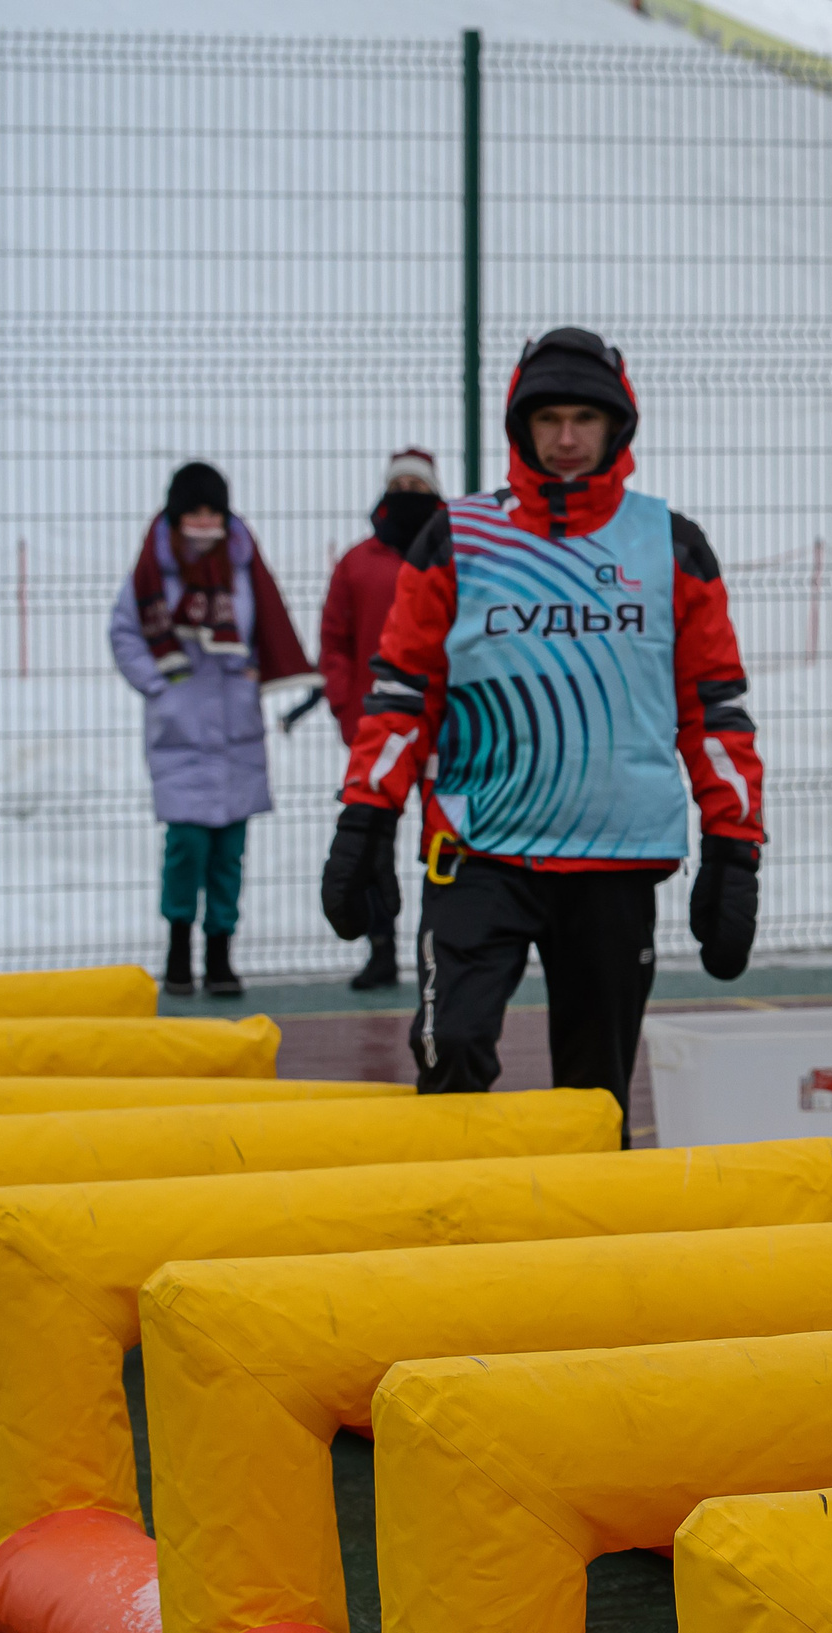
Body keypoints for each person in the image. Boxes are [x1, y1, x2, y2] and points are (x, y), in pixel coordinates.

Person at [318, 328, 765, 1128]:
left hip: (614, 859)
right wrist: (365, 821)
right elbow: (401, 696)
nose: (565, 438)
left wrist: (734, 849)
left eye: (585, 419)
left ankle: (585, 1251)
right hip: (478, 850)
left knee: (593, 1103)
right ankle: (452, 1242)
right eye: (548, 417)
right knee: (448, 1052)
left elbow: (715, 710)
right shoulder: (456, 537)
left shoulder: (671, 544)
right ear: (519, 425)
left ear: (616, 426)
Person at [109, 461, 318, 998]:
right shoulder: (151, 574)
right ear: (176, 517)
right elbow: (125, 634)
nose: (203, 522)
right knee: (186, 846)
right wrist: (160, 687)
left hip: (237, 731)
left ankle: (221, 953)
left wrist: (254, 675)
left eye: (212, 511)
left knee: (229, 852)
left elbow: (264, 629)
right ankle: (179, 948)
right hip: (180, 731)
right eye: (193, 511)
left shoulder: (244, 566)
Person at [319, 447, 446, 990]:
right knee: (373, 842)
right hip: (379, 725)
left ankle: (438, 946)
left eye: (421, 486)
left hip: (443, 728)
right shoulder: (357, 562)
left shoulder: (453, 554)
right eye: (403, 485)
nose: (410, 494)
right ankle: (381, 948)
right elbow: (335, 642)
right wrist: (351, 708)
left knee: (443, 838)